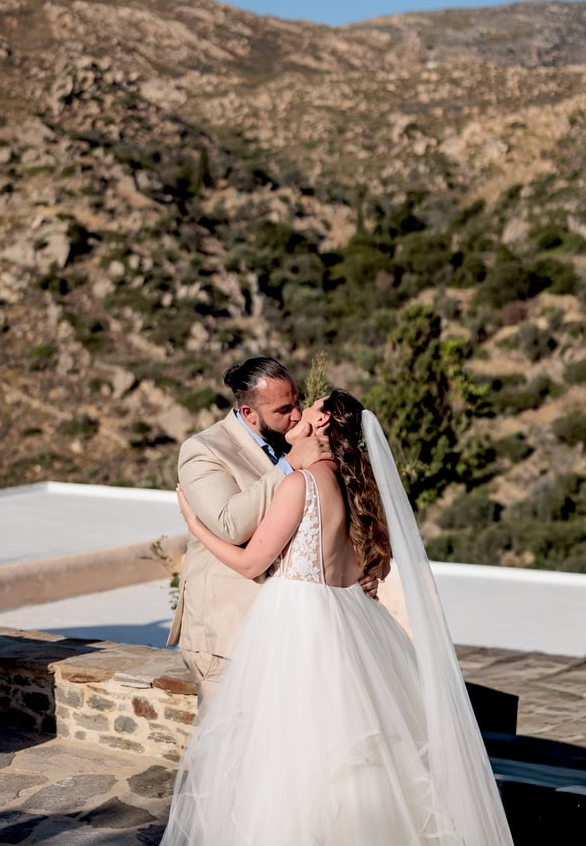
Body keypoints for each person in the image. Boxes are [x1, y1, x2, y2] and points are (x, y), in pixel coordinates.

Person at [162, 390, 513, 845]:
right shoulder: (358, 485)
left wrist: (196, 526)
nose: (300, 412)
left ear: (322, 422)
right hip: (353, 619)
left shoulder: (301, 484)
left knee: (292, 758)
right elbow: (376, 561)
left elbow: (250, 563)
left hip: (300, 625)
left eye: (309, 406)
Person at [167, 357, 379, 705]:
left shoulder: (295, 441)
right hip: (228, 635)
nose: (296, 414)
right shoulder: (205, 450)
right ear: (249, 413)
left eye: (297, 402)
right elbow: (230, 525)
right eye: (284, 409)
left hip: (290, 637)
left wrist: (368, 570)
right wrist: (288, 464)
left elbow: (349, 525)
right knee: (226, 736)